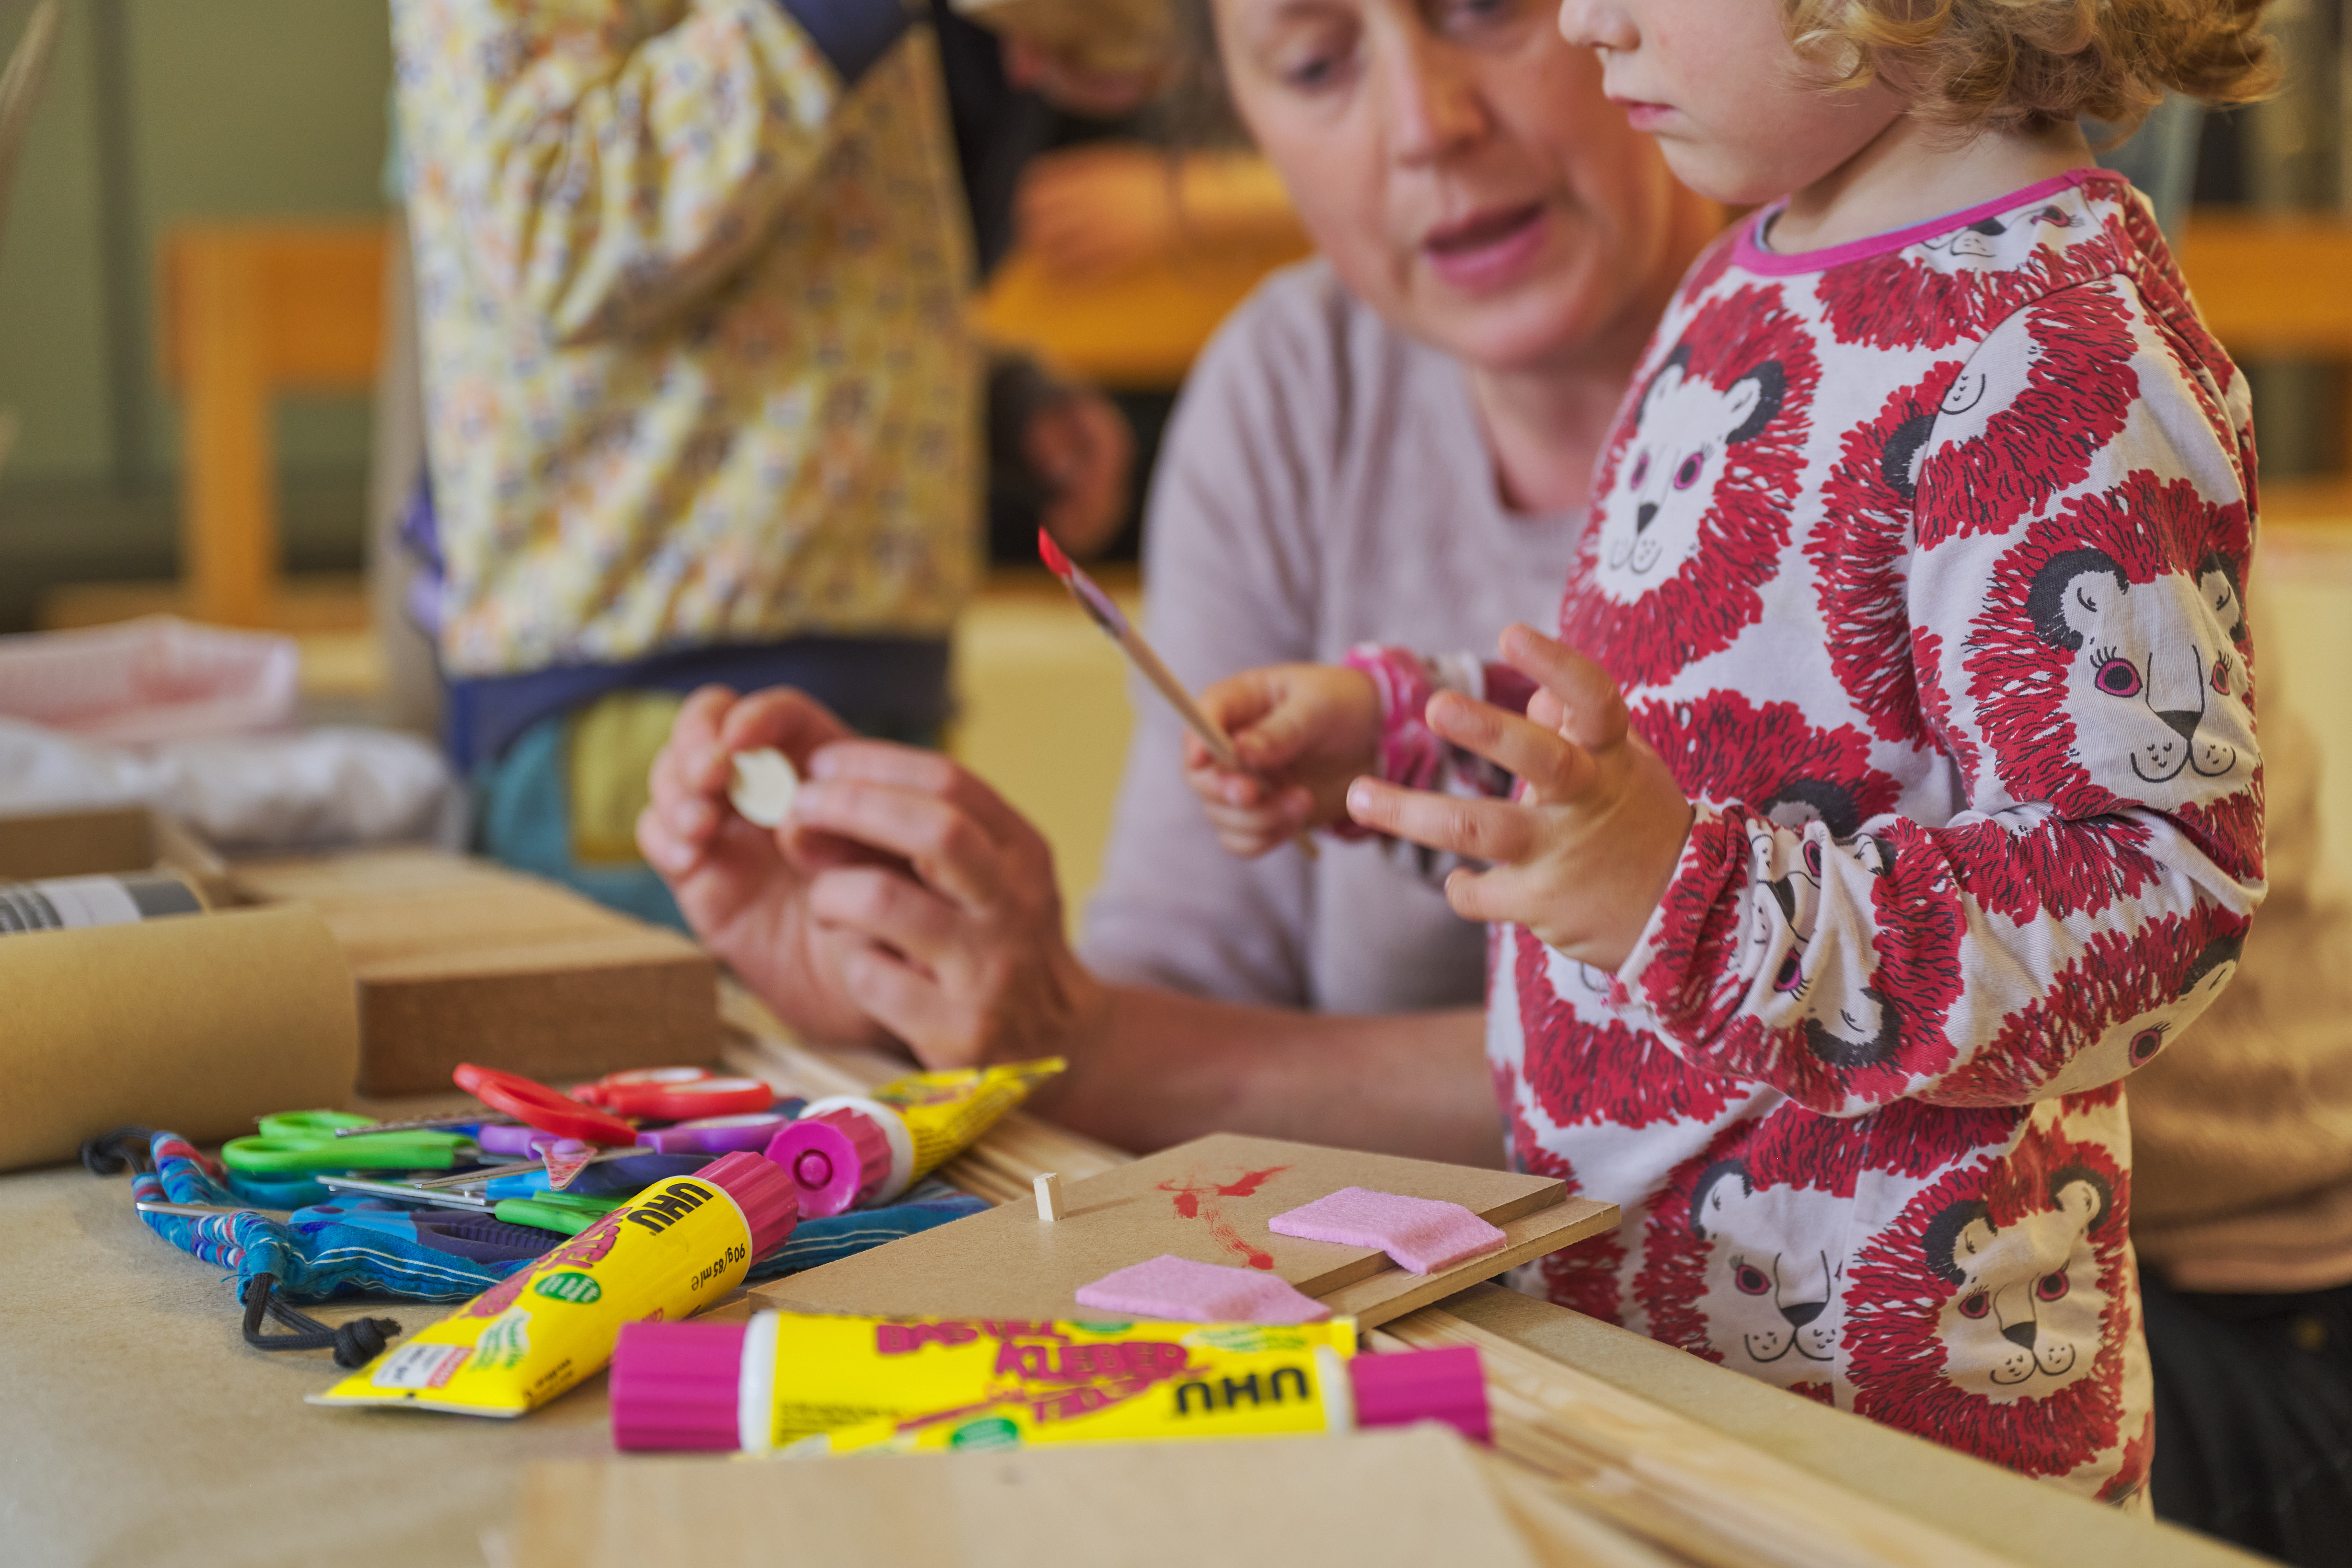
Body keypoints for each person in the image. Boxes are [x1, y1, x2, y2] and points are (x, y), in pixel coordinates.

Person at [1179, 0, 2272, 1503]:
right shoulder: (1745, 271)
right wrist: (1407, 739)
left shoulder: (2054, 347)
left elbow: (2150, 892)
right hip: (1646, 1351)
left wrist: (1683, 901)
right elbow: (1691, 759)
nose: (1582, 19)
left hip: (1900, 1432)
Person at [638, 0, 1724, 1169]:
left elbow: (1794, 1059)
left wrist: (1090, 1048)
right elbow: (1179, 995)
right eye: (1315, 64)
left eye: (1490, 8)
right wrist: (916, 985)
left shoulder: (1884, 363)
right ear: (1242, 121)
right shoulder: (1292, 388)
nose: (1426, 125)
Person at [393, 0, 1142, 926]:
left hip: (864, 659)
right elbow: (555, 223)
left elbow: (796, 262)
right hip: (653, 696)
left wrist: (983, 397)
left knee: (883, 1061)